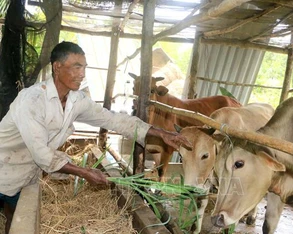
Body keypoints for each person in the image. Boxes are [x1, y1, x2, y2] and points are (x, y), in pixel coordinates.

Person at [0, 41, 192, 234]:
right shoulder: (32, 100)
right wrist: (84, 172)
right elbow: (42, 153)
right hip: (3, 168)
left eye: (84, 67)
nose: (82, 73)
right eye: (76, 67)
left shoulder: (76, 100)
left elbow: (113, 119)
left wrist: (160, 132)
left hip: (26, 175)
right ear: (57, 67)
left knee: (14, 218)